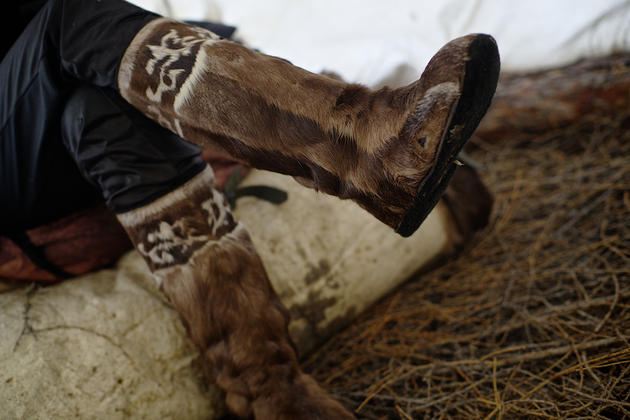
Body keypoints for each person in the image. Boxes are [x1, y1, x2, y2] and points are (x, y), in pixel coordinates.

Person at [0, 0, 500, 418]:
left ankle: (268, 389)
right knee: (68, 19)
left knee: (102, 108)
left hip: (42, 129)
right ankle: (365, 147)